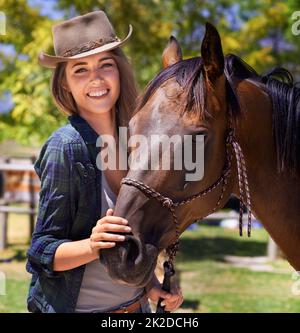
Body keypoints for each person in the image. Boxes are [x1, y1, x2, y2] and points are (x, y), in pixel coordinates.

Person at [26, 10, 183, 313]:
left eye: (105, 65)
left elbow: (130, 237)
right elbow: (40, 251)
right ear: (64, 85)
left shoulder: (135, 145)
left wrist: (152, 285)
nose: (96, 78)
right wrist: (93, 245)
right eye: (80, 70)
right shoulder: (65, 148)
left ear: (120, 72)